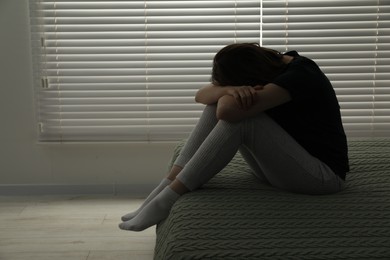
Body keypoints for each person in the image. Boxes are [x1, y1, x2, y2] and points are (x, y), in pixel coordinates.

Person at [119, 43, 349, 232]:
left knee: (243, 119)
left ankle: (167, 199)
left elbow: (227, 113)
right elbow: (201, 95)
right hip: (289, 167)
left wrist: (226, 93)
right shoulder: (274, 64)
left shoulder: (300, 76)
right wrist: (227, 90)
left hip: (321, 177)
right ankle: (165, 185)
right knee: (215, 105)